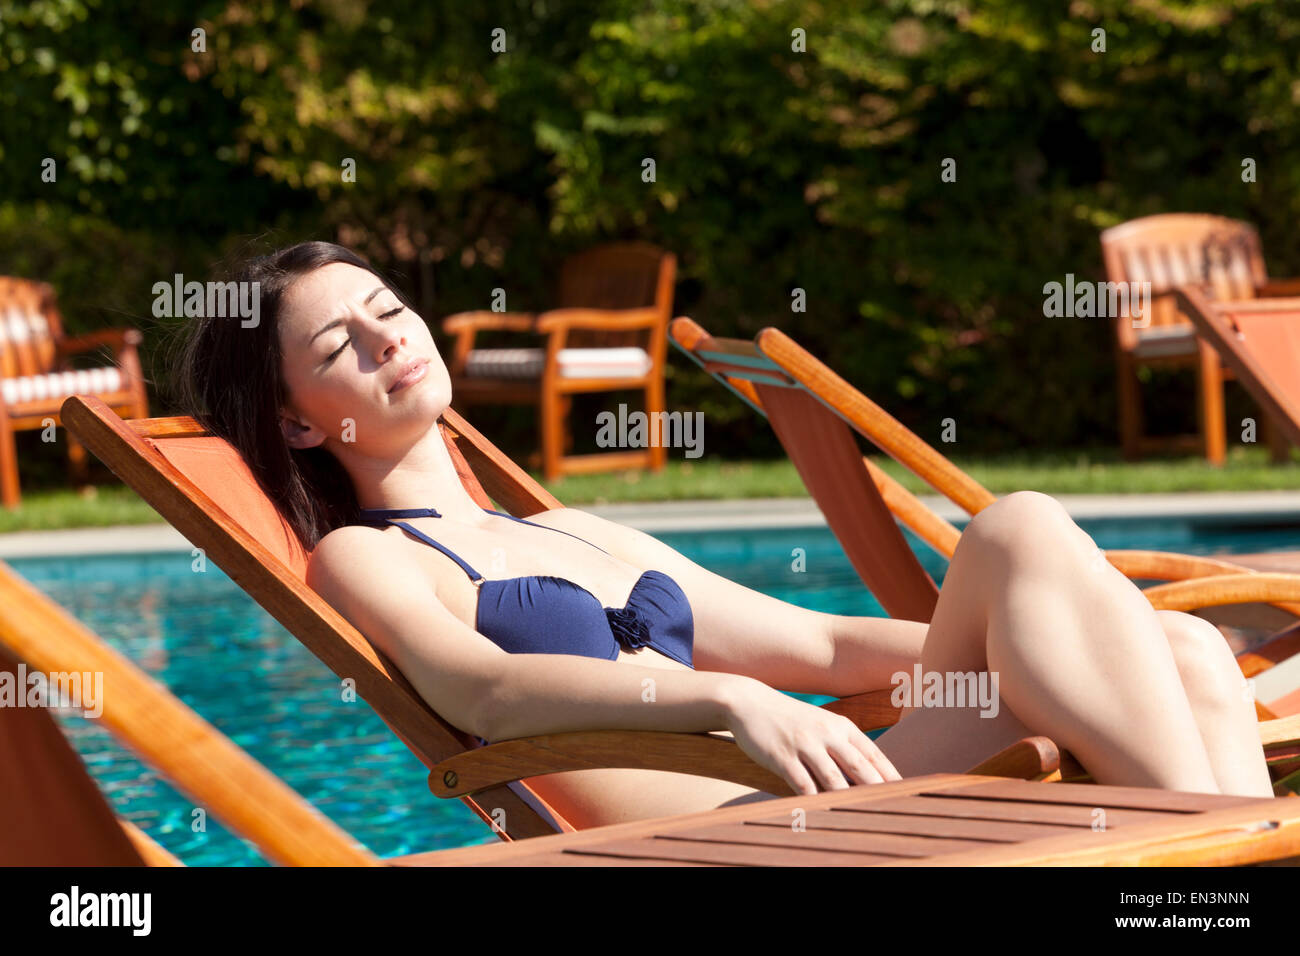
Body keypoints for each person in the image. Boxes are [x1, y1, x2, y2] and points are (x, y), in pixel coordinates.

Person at [176, 241, 1273, 830]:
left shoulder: (574, 527)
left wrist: (1078, 627)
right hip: (744, 832)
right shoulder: (367, 553)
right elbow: (488, 697)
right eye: (338, 343)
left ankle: (1211, 875)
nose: (386, 335)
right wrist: (718, 696)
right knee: (1020, 524)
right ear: (297, 420)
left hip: (838, 793)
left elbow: (829, 648)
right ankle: (1212, 870)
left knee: (1174, 649)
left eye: (384, 305)